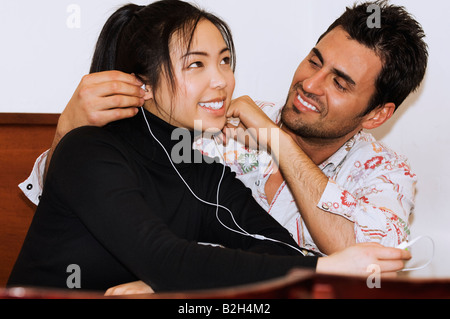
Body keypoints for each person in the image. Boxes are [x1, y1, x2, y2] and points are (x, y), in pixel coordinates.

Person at [8, 0, 410, 293]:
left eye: (224, 60)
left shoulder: (204, 168)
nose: (222, 81)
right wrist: (322, 271)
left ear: (377, 113)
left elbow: (279, 246)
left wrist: (319, 267)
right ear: (141, 84)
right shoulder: (90, 151)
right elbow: (164, 258)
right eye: (196, 64)